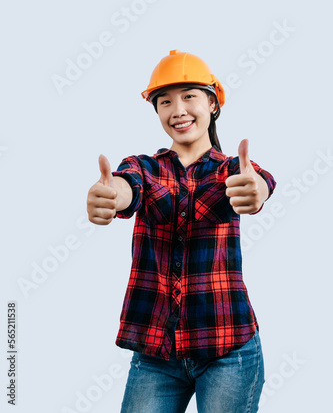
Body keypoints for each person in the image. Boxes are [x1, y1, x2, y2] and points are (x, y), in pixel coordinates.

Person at [87, 49, 277, 413]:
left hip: (229, 350)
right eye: (164, 101)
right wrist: (113, 195)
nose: (178, 110)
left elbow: (256, 180)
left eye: (189, 96)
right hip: (156, 354)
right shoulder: (144, 167)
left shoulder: (229, 170)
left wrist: (256, 189)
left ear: (213, 102)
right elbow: (130, 186)